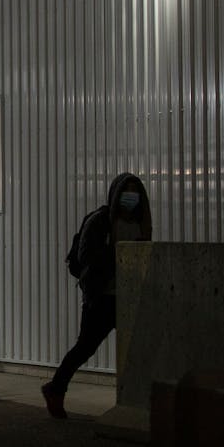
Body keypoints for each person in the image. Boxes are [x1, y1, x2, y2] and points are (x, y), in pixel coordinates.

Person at [41, 172, 152, 418]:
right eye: (126, 191)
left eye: (135, 191)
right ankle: (55, 388)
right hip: (102, 297)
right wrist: (115, 259)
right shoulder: (101, 220)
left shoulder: (140, 223)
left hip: (129, 298)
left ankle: (137, 401)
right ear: (116, 194)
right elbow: (85, 257)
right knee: (85, 347)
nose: (130, 197)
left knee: (138, 349)